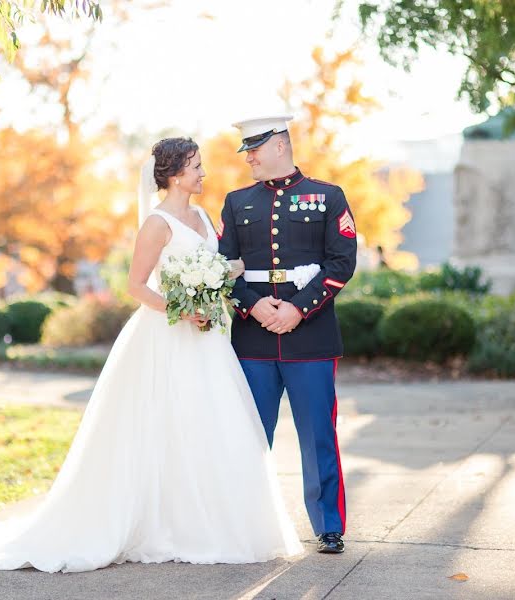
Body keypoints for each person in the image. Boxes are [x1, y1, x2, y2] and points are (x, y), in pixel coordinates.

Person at [0, 137, 301, 573]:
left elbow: (217, 265)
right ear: (172, 174)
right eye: (195, 167)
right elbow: (136, 286)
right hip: (170, 335)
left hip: (208, 339)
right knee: (164, 423)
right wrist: (183, 310)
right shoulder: (157, 223)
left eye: (201, 166)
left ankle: (205, 523)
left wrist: (230, 279)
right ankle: (163, 525)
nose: (203, 173)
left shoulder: (205, 216)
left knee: (208, 423)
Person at [217, 115, 358, 553]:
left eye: (255, 149)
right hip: (253, 339)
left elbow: (341, 263)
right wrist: (252, 304)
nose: (249, 158)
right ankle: (246, 523)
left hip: (310, 337)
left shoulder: (328, 196)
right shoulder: (237, 202)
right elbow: (220, 267)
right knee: (251, 434)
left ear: (280, 145)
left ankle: (328, 526)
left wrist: (298, 309)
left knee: (318, 434)